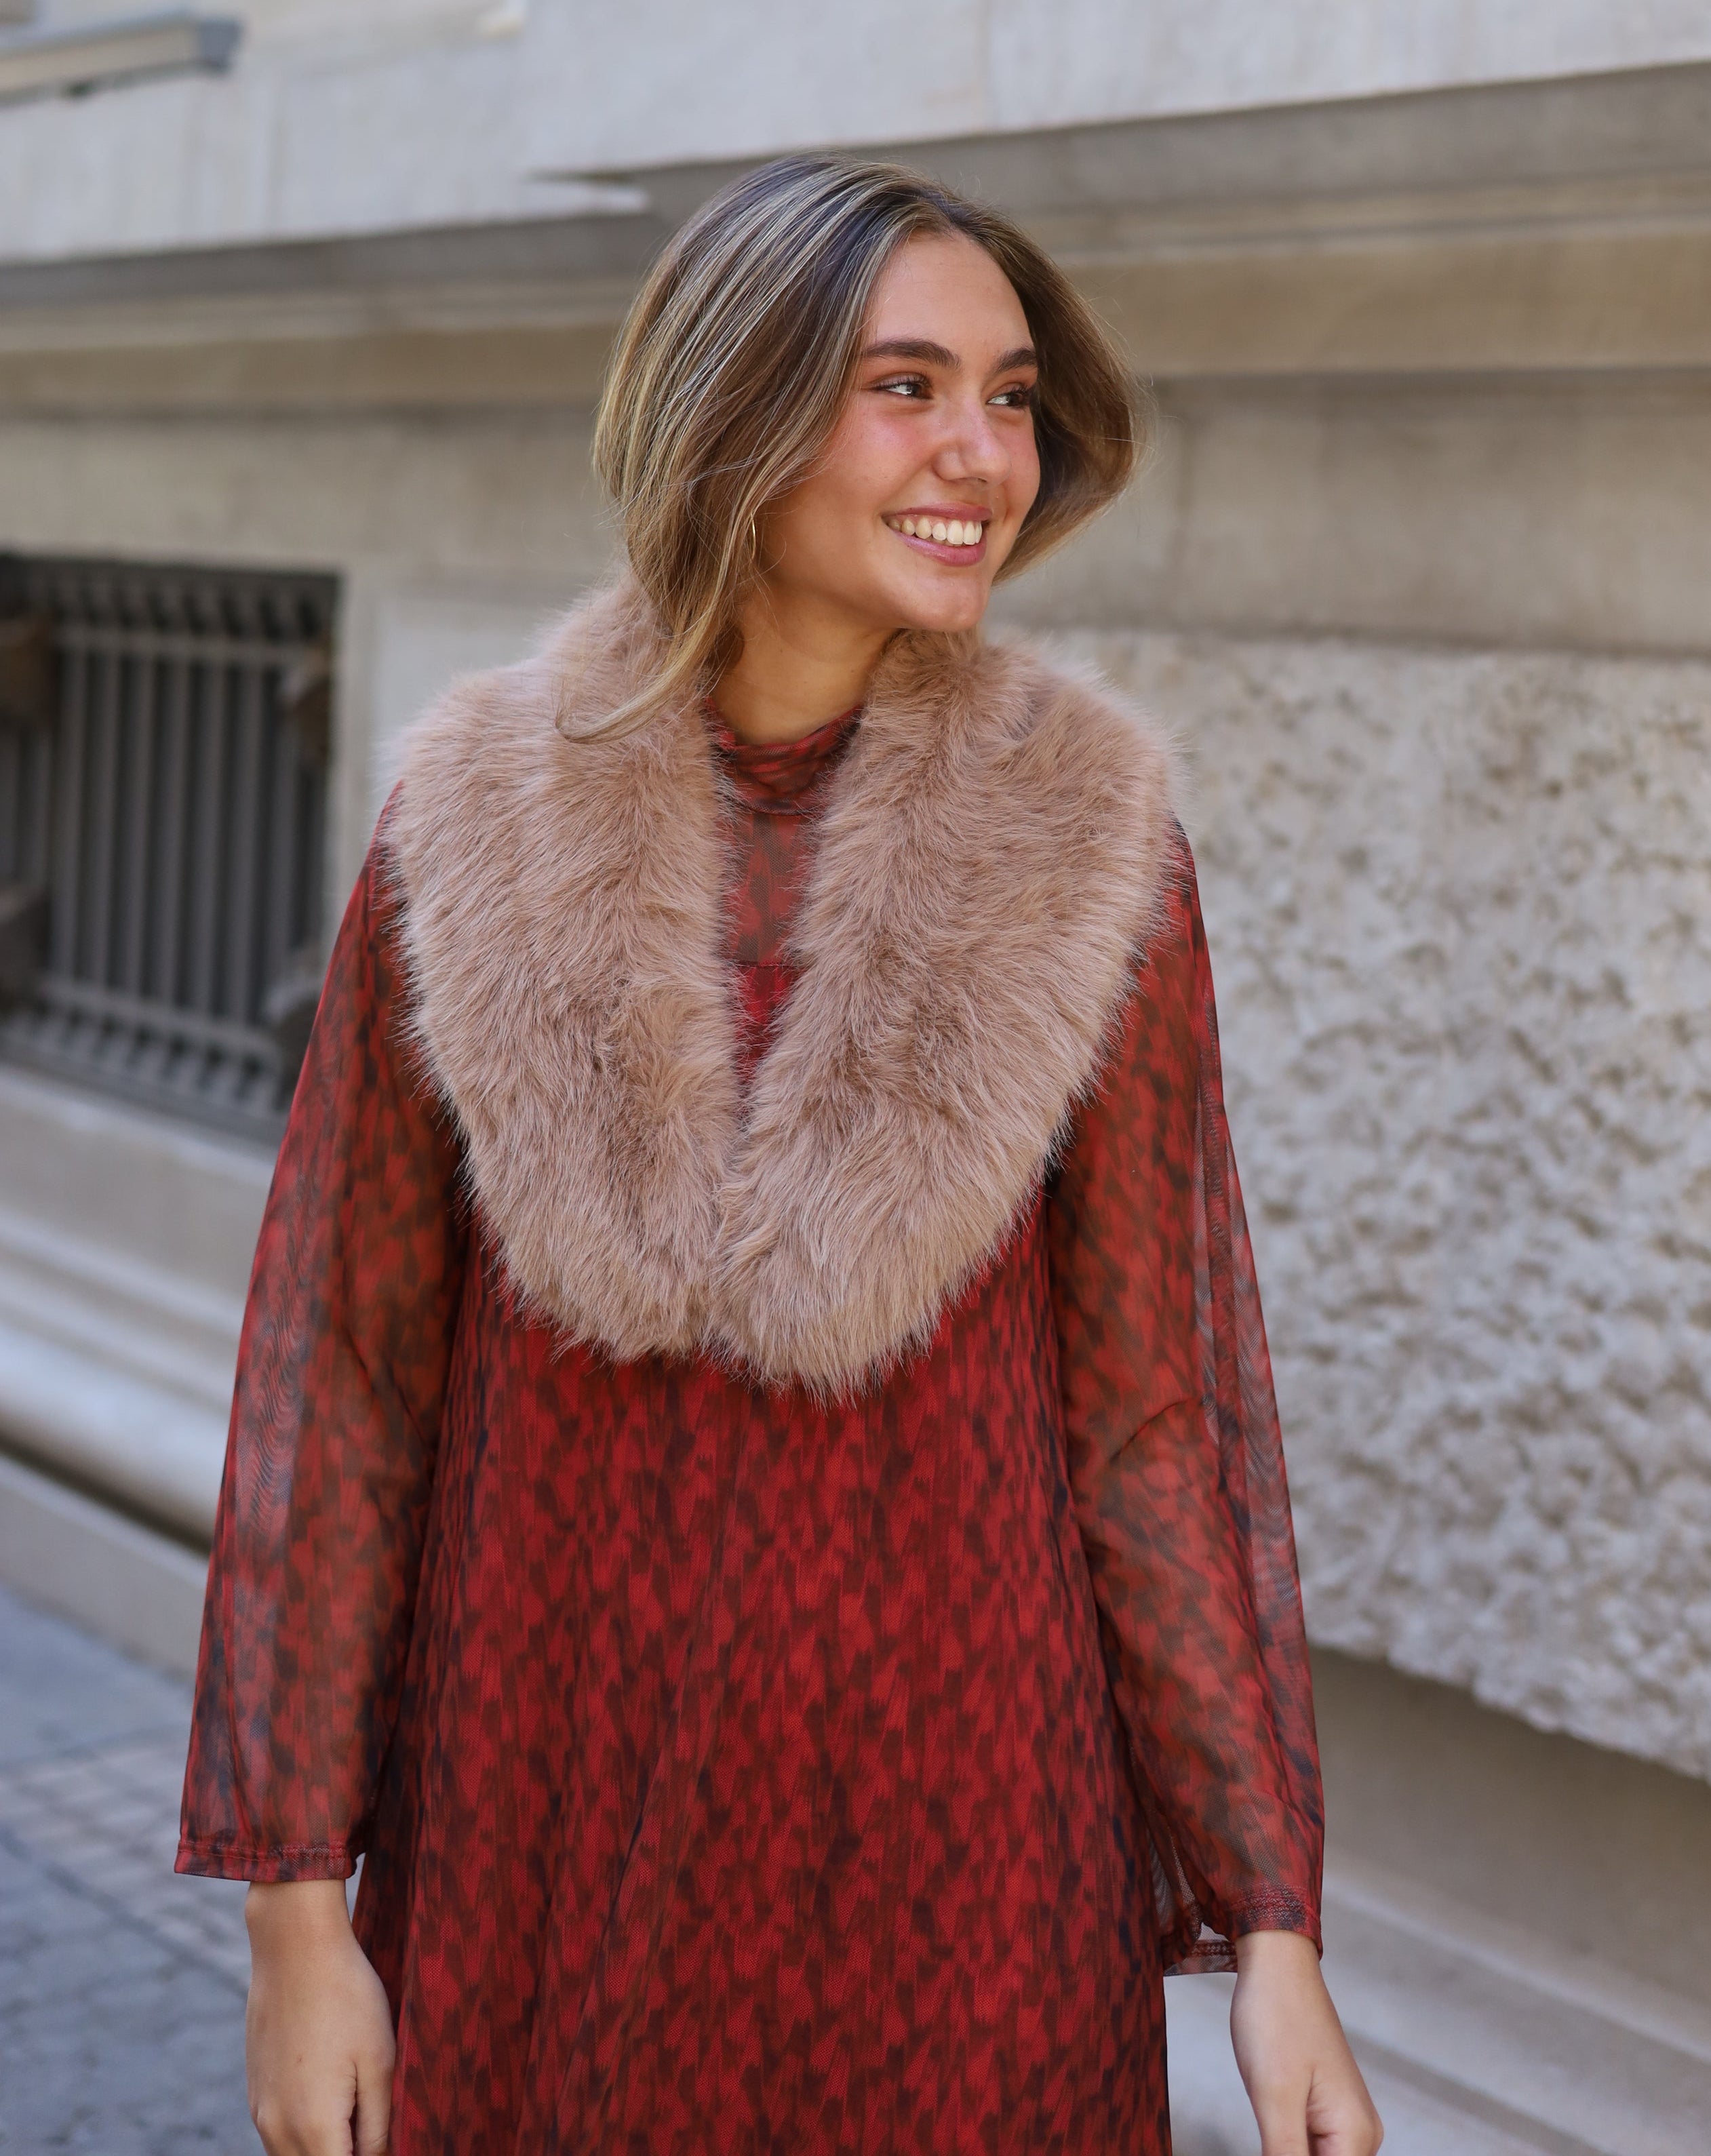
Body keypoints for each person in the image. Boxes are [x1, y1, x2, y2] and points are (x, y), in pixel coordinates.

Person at [178, 154, 1383, 2156]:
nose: (982, 454)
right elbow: (354, 1389)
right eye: (907, 386)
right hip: (547, 1842)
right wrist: (299, 1923)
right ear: (735, 411)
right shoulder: (471, 822)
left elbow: (1150, 1427)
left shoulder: (1089, 846)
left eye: (1010, 397)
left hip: (969, 1864)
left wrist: (1272, 1922)